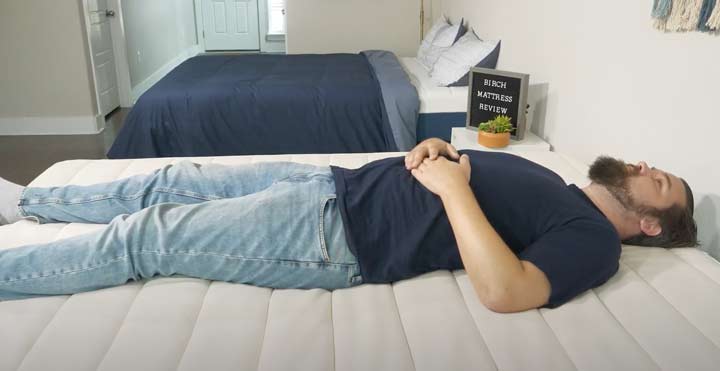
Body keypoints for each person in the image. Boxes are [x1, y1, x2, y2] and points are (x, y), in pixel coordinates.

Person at [0, 138, 697, 312]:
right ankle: (28, 205)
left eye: (656, 178)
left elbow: (505, 289)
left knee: (152, 231)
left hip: (339, 236)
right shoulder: (558, 179)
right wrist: (435, 154)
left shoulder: (596, 241)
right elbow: (480, 194)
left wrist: (452, 187)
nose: (641, 163)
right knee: (173, 177)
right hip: (337, 181)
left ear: (650, 224)